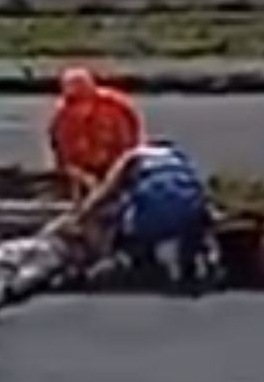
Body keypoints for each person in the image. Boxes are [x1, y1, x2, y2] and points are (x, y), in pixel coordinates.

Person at [77, 141, 213, 292]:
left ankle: (140, 261)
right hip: (187, 214)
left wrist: (84, 210)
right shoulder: (180, 158)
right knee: (192, 211)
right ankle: (188, 266)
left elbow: (106, 190)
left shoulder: (134, 156)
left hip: (149, 213)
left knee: (121, 215)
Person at [49, 67, 145, 199]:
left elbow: (131, 142)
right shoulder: (63, 116)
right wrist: (82, 176)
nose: (79, 107)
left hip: (116, 163)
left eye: (82, 98)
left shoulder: (116, 108)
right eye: (73, 101)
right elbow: (62, 154)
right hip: (85, 170)